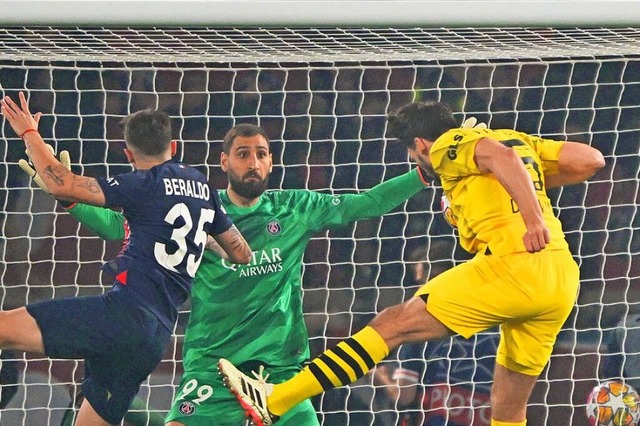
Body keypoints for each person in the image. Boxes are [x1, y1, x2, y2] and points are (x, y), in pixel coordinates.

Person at [31, 122, 450, 425]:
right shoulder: (199, 207)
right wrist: (69, 200)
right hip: (213, 365)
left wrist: (421, 174)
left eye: (261, 154)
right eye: (243, 154)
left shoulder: (294, 208)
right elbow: (118, 227)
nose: (253, 163)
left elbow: (363, 204)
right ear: (224, 161)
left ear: (271, 162)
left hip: (282, 373)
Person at [218, 100, 606, 426]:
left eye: (411, 153)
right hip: (560, 278)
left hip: (515, 265)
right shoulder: (518, 142)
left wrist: (533, 215)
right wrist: (523, 177)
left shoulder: (449, 145)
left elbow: (498, 156)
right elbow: (590, 160)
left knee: (391, 324)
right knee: (507, 407)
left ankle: (276, 399)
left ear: (420, 143)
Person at [0, 92, 251, 426]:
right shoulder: (202, 187)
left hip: (123, 315)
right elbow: (241, 253)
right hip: (154, 337)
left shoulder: (142, 184)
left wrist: (29, 133)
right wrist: (201, 237)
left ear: (128, 153)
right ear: (173, 147)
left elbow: (62, 182)